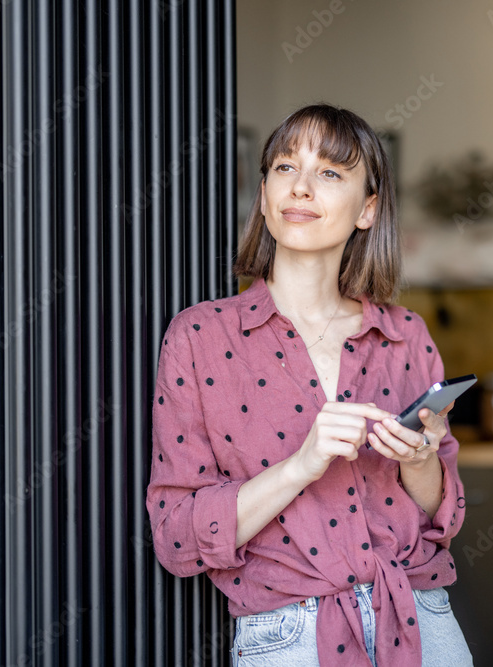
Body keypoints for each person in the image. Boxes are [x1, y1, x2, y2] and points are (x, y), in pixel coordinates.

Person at [146, 104, 473, 666]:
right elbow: (176, 537)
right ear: (265, 193)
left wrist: (420, 462)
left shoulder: (405, 336)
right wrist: (301, 465)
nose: (300, 187)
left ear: (367, 209)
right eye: (283, 167)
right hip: (289, 635)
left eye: (329, 173)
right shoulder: (199, 336)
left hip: (421, 618)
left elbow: (445, 517)